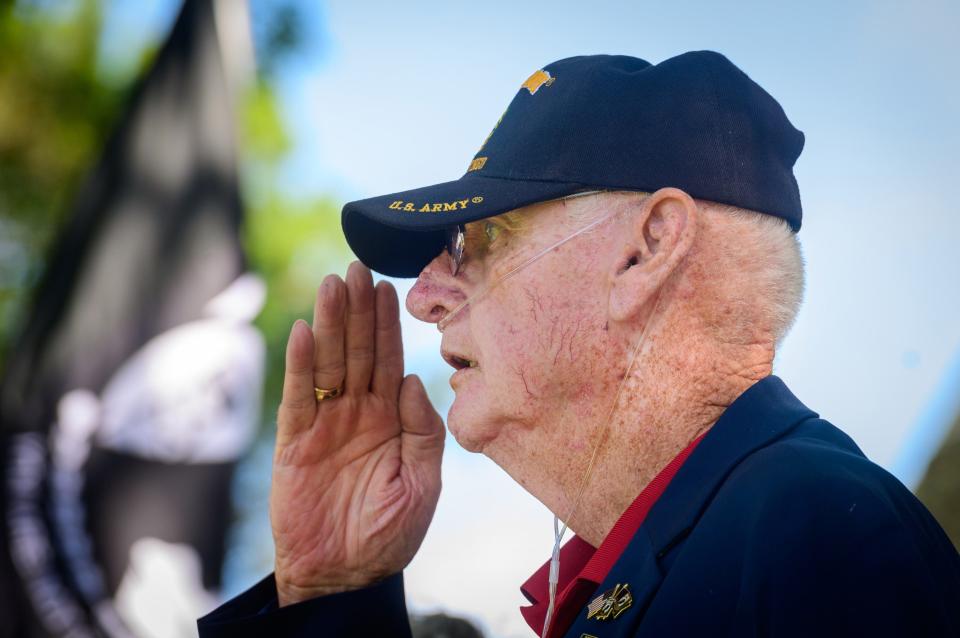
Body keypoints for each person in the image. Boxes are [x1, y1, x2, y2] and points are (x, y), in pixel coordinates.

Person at [198, 52, 960, 637]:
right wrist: (332, 592)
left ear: (647, 249)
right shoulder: (725, 542)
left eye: (478, 239)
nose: (424, 298)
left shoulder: (817, 531)